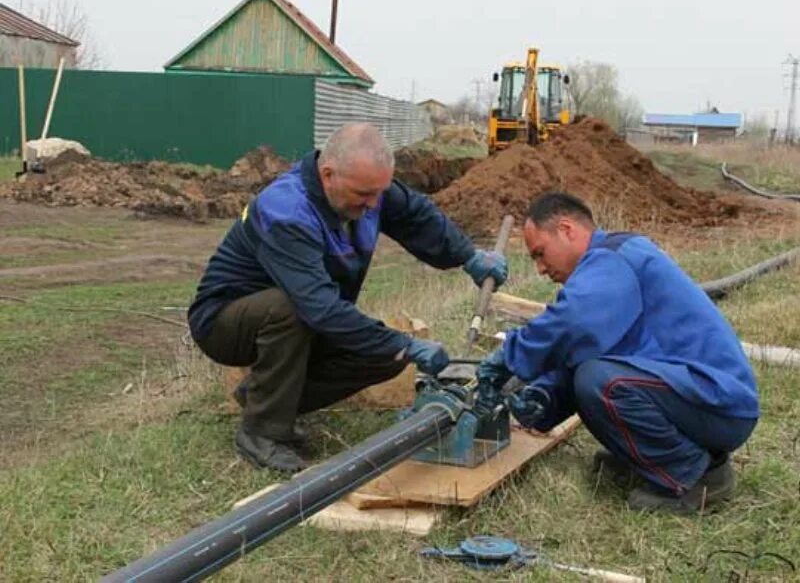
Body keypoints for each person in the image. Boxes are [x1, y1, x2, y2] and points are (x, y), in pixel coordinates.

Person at [188, 123, 507, 473]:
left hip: (305, 317)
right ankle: (261, 432)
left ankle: (262, 398)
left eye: (378, 194)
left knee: (386, 355)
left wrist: (468, 256)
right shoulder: (286, 211)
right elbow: (319, 308)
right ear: (328, 174)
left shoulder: (367, 188)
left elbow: (417, 216)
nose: (373, 205)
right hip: (226, 323)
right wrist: (404, 341)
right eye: (364, 195)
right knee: (291, 310)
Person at [476, 192, 758, 514]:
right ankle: (652, 462)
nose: (540, 268)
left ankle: (699, 479)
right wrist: (544, 398)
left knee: (599, 382)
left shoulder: (612, 258)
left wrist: (508, 357)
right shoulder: (609, 263)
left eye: (540, 254)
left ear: (567, 229)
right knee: (592, 374)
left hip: (721, 403)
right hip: (701, 399)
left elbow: (572, 324)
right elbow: (584, 347)